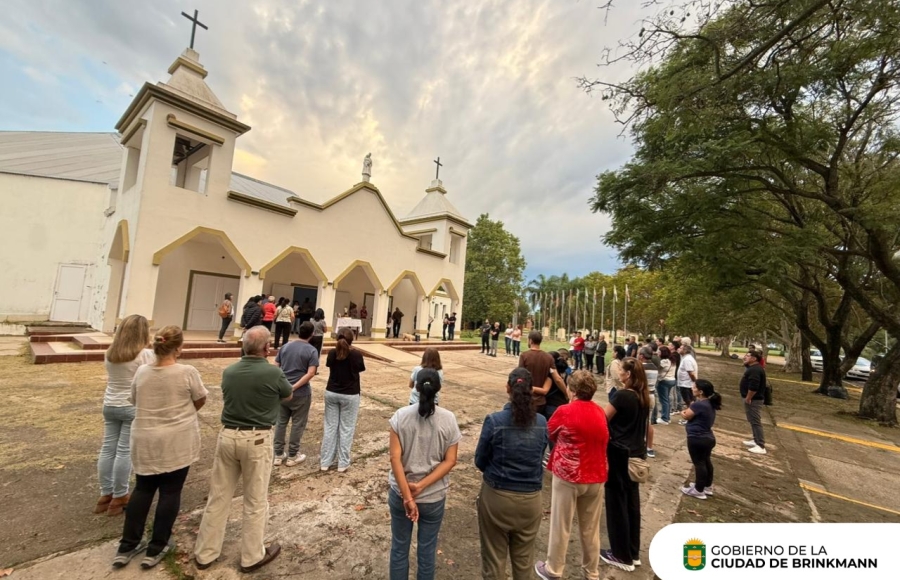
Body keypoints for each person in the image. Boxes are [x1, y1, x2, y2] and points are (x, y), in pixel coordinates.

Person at [193, 326, 290, 573]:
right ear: (267, 348)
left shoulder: (230, 372)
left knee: (219, 496)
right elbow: (287, 395)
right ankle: (251, 556)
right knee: (255, 499)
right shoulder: (273, 373)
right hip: (257, 438)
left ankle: (205, 553)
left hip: (227, 436)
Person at [113, 326, 207, 569]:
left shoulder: (143, 371)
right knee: (170, 491)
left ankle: (128, 543)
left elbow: (134, 399)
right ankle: (158, 544)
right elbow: (200, 398)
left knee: (143, 489)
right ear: (178, 348)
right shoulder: (187, 372)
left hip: (145, 437)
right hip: (176, 440)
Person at [535, 371, 609, 580]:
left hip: (569, 474)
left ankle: (553, 568)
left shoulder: (565, 411)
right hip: (596, 474)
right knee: (590, 528)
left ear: (572, 390)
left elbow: (548, 433)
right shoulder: (600, 411)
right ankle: (592, 572)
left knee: (561, 524)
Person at [388, 369, 461, 580]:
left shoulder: (400, 417)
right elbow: (451, 460)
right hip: (433, 497)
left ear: (416, 388)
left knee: (400, 548)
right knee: (427, 551)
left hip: (401, 493)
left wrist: (409, 496)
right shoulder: (449, 419)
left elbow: (395, 459)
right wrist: (421, 487)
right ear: (439, 388)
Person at [476, 368, 548, 580]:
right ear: (531, 390)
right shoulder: (542, 423)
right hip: (530, 500)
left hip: (497, 497)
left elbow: (480, 460)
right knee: (524, 563)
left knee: (494, 561)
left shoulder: (494, 421)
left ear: (508, 388)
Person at [96, 314, 155, 517]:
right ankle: (120, 495)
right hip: (131, 406)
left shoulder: (110, 353)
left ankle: (106, 493)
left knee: (108, 448)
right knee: (124, 451)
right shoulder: (144, 355)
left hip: (110, 404)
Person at [600, 358, 650, 573]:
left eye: (621, 370)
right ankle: (632, 551)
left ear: (628, 374)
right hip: (637, 453)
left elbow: (602, 418)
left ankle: (620, 554)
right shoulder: (644, 397)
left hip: (619, 454)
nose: (618, 372)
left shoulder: (622, 396)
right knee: (631, 504)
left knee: (617, 505)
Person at [273, 321, 318, 467]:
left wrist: (284, 384)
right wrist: (295, 386)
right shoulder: (311, 350)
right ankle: (293, 454)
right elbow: (311, 373)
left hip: (283, 391)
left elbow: (276, 366)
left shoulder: (285, 346)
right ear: (312, 334)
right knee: (298, 424)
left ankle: (278, 454)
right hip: (301, 393)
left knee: (280, 422)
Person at [320, 328, 366, 471]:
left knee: (330, 427)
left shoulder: (333, 353)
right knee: (346, 429)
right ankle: (343, 463)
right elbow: (360, 369)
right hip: (350, 394)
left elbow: (329, 366)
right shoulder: (356, 354)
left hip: (332, 391)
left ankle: (325, 462)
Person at [680, 379, 722, 499]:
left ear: (701, 391)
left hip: (697, 438)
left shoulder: (699, 404)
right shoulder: (709, 403)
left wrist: (684, 411)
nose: (692, 388)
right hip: (707, 438)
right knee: (706, 461)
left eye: (694, 387)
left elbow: (686, 415)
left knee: (699, 463)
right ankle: (706, 485)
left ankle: (698, 490)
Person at [518, 330, 566, 415]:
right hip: (540, 402)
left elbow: (519, 377)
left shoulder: (524, 356)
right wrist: (566, 393)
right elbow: (558, 379)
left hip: (526, 399)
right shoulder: (548, 357)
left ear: (530, 340)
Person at [741, 351, 768, 455]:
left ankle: (760, 445)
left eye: (748, 356)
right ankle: (756, 439)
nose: (745, 357)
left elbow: (754, 387)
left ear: (754, 358)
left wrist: (748, 398)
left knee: (755, 421)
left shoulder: (755, 370)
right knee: (752, 420)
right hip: (752, 399)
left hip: (754, 400)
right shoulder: (752, 368)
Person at [638, 347, 658, 458]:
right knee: (648, 421)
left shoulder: (641, 367)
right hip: (651, 395)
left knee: (639, 421)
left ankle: (640, 443)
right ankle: (649, 447)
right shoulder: (654, 367)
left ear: (641, 356)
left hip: (642, 396)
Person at [676, 338, 698, 425]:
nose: (679, 349)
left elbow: (691, 373)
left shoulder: (687, 359)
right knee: (688, 401)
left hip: (687, 384)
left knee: (689, 402)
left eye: (681, 348)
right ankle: (690, 417)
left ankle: (690, 418)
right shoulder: (685, 358)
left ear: (684, 350)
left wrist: (694, 382)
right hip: (685, 383)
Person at [656, 346, 676, 425]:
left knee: (664, 400)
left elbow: (657, 366)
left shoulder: (664, 361)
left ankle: (664, 418)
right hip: (671, 380)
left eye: (659, 352)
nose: (658, 353)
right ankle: (667, 417)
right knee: (666, 399)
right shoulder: (672, 360)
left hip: (664, 381)